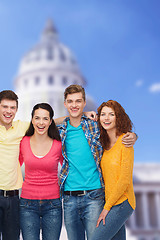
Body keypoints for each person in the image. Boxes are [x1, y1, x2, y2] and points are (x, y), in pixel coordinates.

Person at [0, 90, 95, 240]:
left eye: (12, 108)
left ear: (17, 110)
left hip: (15, 197)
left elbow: (49, 121)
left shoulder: (22, 128)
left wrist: (81, 114)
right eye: (5, 107)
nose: (8, 111)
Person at [58, 85, 137, 240]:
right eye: (70, 101)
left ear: (85, 102)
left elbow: (124, 179)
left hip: (101, 198)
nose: (74, 105)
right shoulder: (63, 130)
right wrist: (80, 114)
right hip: (71, 198)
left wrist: (134, 135)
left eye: (78, 101)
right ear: (65, 104)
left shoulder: (99, 129)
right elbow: (41, 122)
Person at [90, 100, 135, 240]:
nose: (106, 118)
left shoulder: (125, 142)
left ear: (118, 117)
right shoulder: (103, 144)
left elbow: (124, 180)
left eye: (111, 114)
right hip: (110, 201)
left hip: (122, 202)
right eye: (103, 114)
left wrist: (106, 208)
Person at [19, 103, 63, 240]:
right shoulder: (23, 142)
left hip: (53, 205)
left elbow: (70, 169)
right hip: (27, 204)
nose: (41, 122)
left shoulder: (58, 144)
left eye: (45, 119)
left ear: (51, 121)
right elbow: (13, 166)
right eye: (37, 118)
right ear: (32, 120)